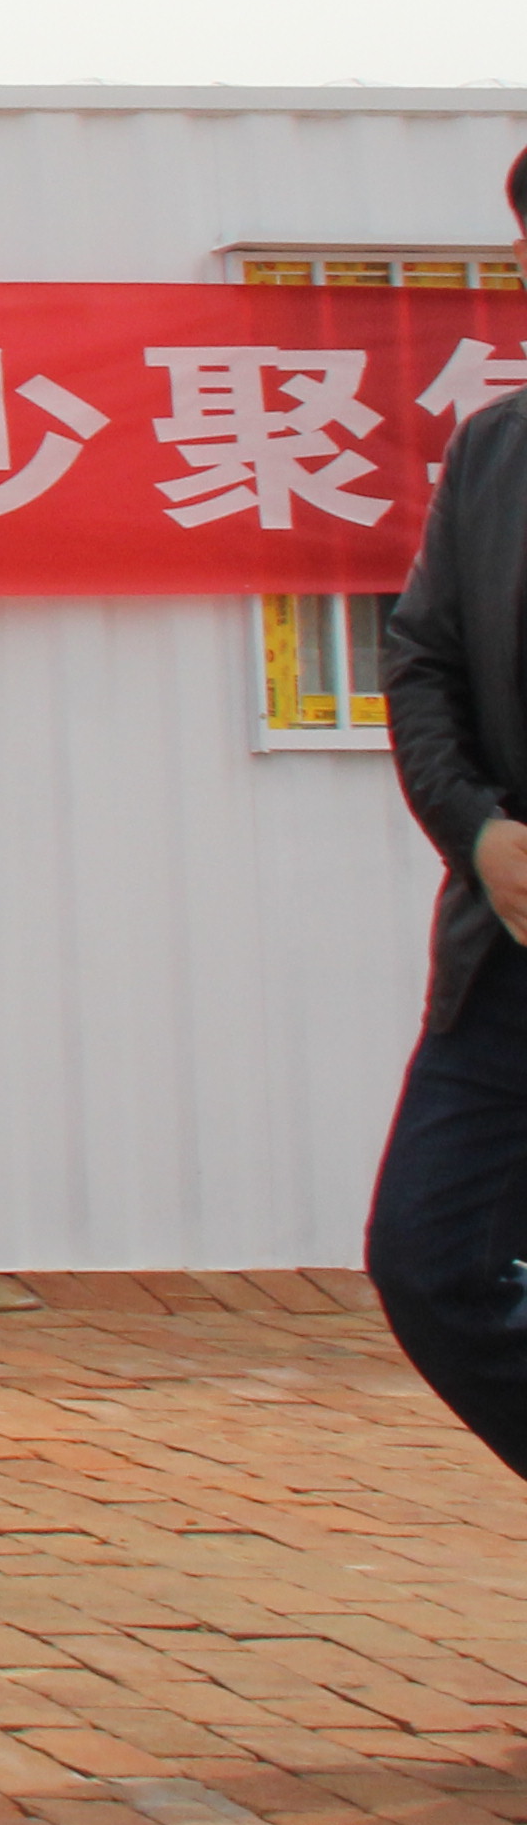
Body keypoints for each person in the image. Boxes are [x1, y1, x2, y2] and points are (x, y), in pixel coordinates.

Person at [370, 143, 527, 1481]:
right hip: (508, 951)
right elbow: (423, 660)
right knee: (432, 1260)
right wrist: (479, 831)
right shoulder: (495, 452)